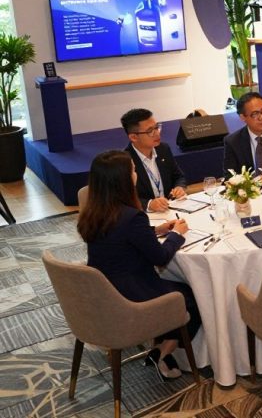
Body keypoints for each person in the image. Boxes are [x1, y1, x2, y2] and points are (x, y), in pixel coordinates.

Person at [78, 150, 200, 380]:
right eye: (133, 170)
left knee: (178, 289)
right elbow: (161, 257)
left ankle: (160, 344)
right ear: (123, 180)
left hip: (104, 289)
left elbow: (118, 238)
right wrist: (177, 234)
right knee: (192, 296)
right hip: (131, 293)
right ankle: (163, 351)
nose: (136, 173)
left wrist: (157, 230)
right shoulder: (132, 216)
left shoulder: (94, 212)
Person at [120, 108, 186, 213]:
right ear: (133, 137)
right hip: (143, 215)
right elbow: (122, 199)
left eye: (157, 127)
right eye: (150, 131)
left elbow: (178, 176)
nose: (157, 134)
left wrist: (179, 187)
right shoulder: (124, 161)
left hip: (170, 209)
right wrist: (149, 204)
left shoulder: (163, 149)